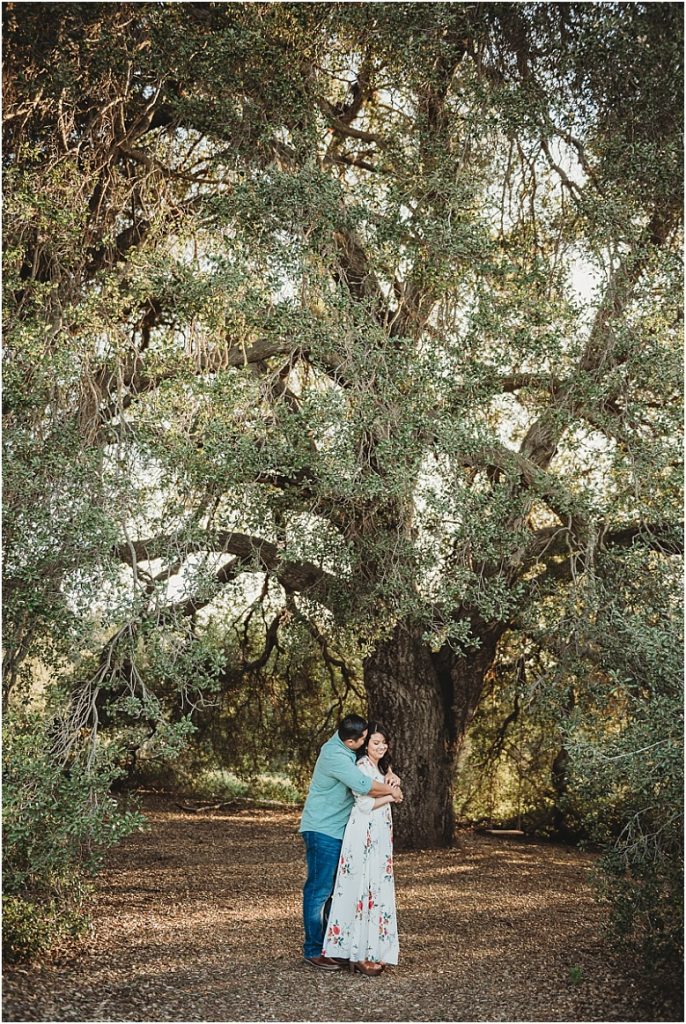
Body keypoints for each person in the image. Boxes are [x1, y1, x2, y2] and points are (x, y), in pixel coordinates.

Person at [299, 714, 403, 970]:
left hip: (340, 830)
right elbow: (363, 784)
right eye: (364, 740)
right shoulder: (335, 756)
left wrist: (389, 771)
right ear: (352, 741)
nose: (367, 742)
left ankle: (334, 946)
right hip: (323, 829)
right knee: (319, 891)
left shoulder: (348, 745)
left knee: (338, 890)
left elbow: (376, 758)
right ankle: (313, 950)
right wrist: (392, 791)